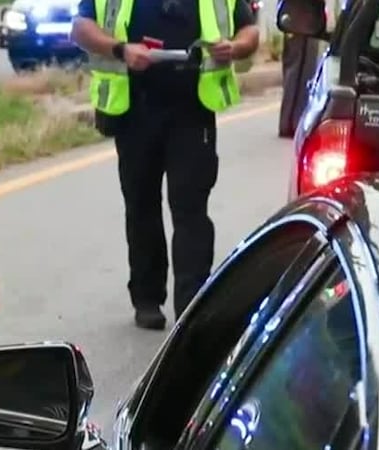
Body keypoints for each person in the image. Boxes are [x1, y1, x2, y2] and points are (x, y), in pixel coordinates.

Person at [71, 0, 260, 329]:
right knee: (141, 204)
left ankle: (191, 308)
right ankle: (147, 298)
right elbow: (80, 29)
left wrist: (235, 46)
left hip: (192, 110)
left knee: (190, 208)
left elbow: (250, 30)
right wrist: (120, 49)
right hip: (135, 109)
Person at [278, 33, 320, 138]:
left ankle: (292, 121)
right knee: (301, 65)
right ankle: (292, 121)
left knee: (304, 66)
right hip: (303, 25)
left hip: (304, 25)